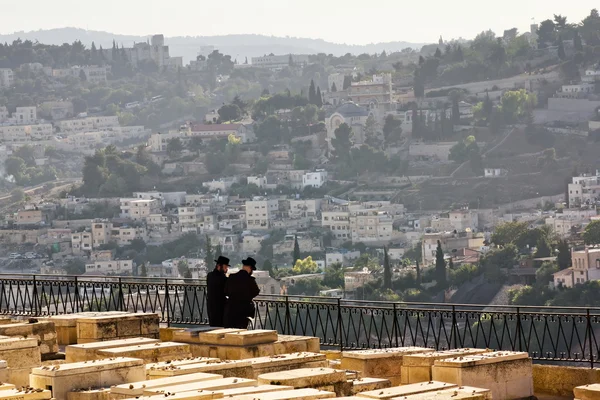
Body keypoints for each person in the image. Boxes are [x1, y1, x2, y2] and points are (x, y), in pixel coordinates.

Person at [224, 257, 260, 329]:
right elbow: (256, 291)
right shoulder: (250, 280)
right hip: (243, 311)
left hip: (230, 310)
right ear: (250, 268)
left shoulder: (231, 277)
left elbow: (226, 292)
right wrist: (247, 297)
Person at [206, 255, 230, 327]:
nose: (226, 269)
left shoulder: (209, 275)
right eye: (225, 267)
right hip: (220, 306)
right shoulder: (223, 278)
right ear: (219, 266)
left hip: (210, 305)